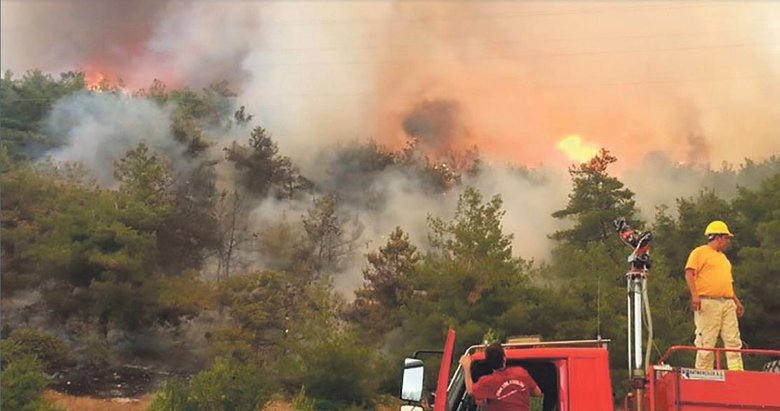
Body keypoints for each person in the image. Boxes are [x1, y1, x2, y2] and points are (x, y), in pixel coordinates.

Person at [685, 220, 745, 371]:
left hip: (726, 302)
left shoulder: (723, 258)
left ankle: (736, 372)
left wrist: (736, 301)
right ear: (718, 237)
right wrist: (695, 296)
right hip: (708, 302)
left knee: (733, 340)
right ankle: (704, 374)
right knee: (707, 341)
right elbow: (689, 273)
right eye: (726, 238)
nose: (728, 242)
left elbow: (727, 284)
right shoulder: (699, 252)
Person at [459, 343, 541, 411]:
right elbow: (537, 393)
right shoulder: (521, 373)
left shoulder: (487, 382)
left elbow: (470, 390)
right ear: (504, 358)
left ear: (488, 362)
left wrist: (466, 368)